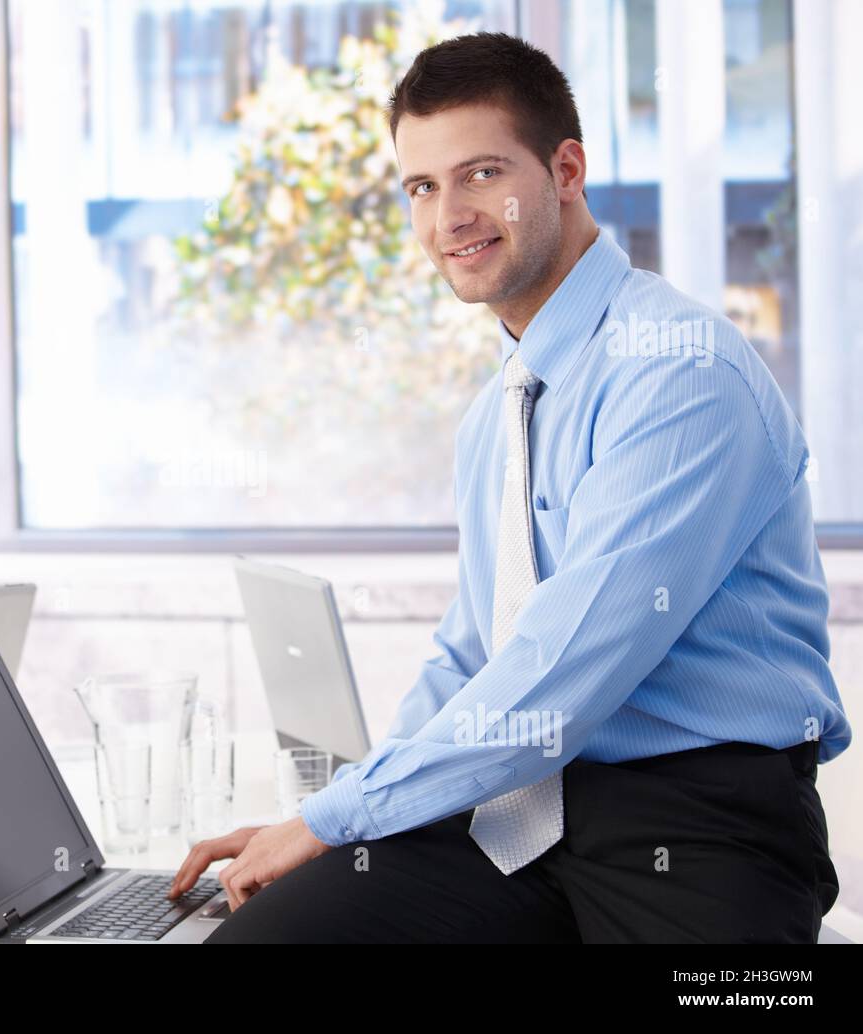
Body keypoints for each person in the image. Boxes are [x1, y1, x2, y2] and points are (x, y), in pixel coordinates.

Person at [172, 32, 851, 943]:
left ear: (566, 170)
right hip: (512, 814)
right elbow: (474, 658)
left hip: (695, 828)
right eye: (422, 187)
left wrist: (334, 818)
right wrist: (339, 817)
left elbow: (559, 673)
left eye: (482, 174)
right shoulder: (499, 412)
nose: (450, 216)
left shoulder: (679, 372)